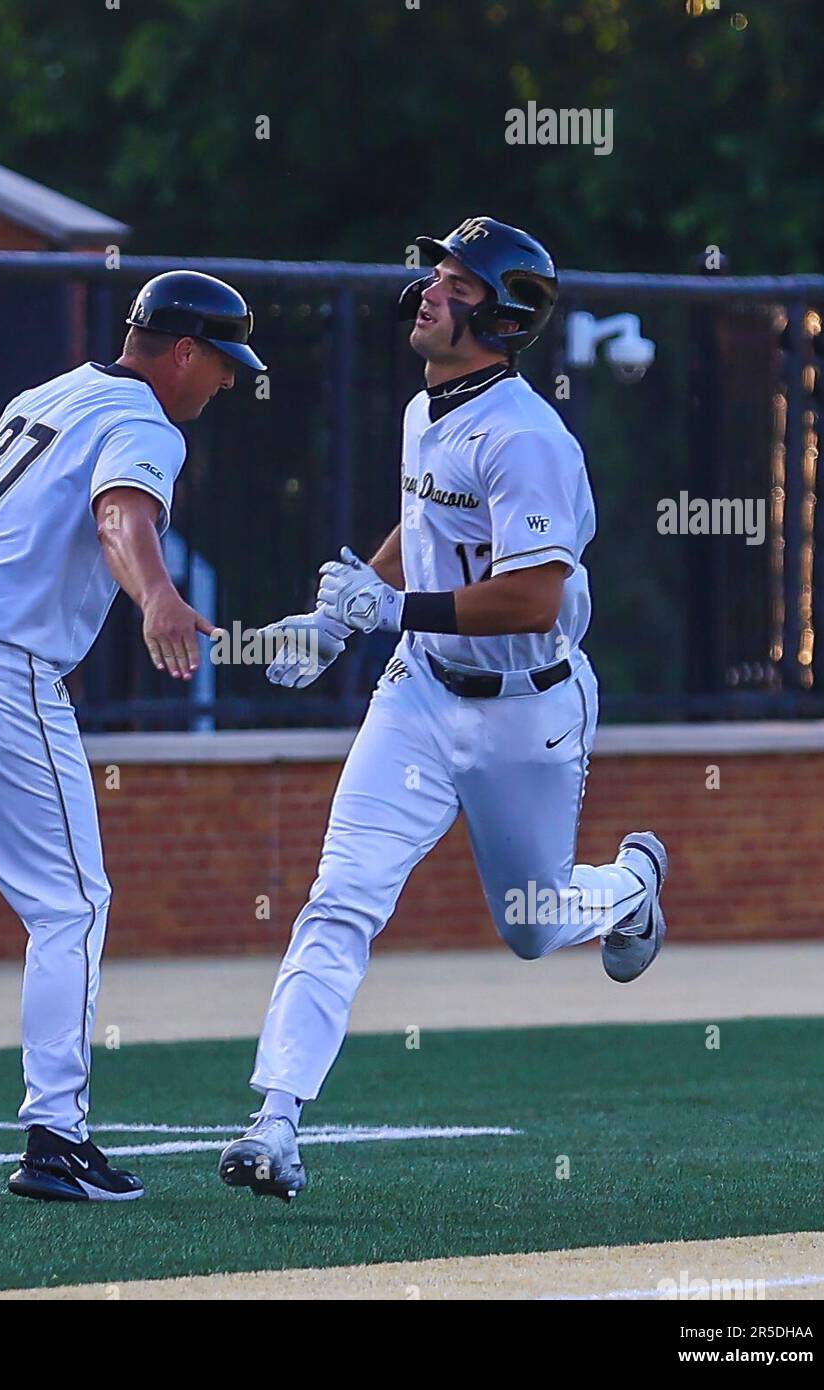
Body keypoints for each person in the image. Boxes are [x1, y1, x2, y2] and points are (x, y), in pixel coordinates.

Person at [220, 217, 666, 1203]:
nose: (429, 287)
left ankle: (631, 885)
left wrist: (388, 610)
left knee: (533, 926)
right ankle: (274, 1120)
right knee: (339, 898)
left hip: (523, 707)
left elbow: (533, 597)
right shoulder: (430, 410)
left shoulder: (525, 437)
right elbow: (421, 523)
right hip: (419, 692)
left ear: (501, 318)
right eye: (436, 272)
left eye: (456, 281)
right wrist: (335, 623)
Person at [0, 270, 265, 1205]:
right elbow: (120, 513)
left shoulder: (49, 392)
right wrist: (154, 591)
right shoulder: (147, 421)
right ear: (184, 351)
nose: (229, 382)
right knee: (69, 905)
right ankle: (56, 1141)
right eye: (223, 362)